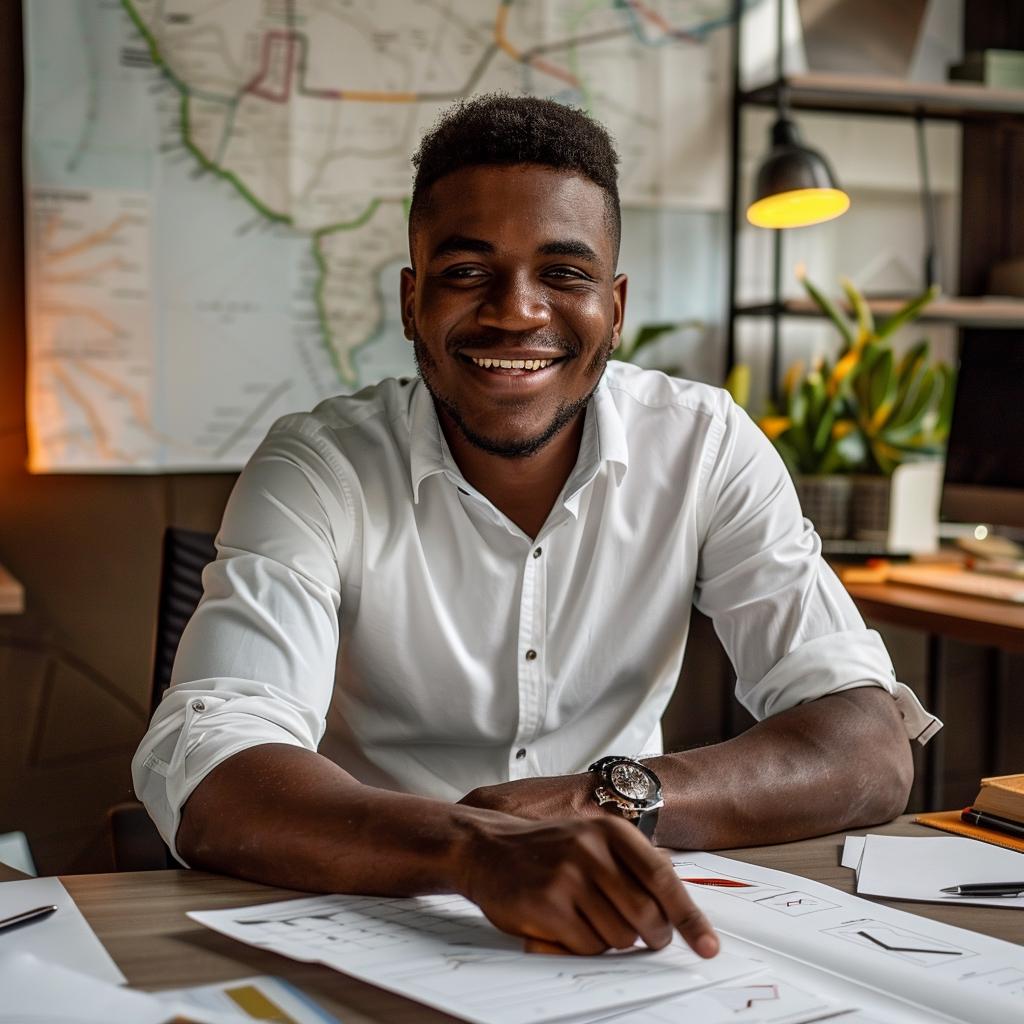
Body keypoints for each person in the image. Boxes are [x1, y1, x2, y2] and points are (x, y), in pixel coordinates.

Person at [133, 95, 939, 960]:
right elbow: (210, 758)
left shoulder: (705, 446)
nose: (517, 312)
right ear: (412, 303)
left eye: (564, 273)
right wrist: (472, 848)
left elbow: (867, 746)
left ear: (615, 308)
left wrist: (606, 801)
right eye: (468, 271)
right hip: (372, 913)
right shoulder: (316, 466)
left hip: (627, 928)